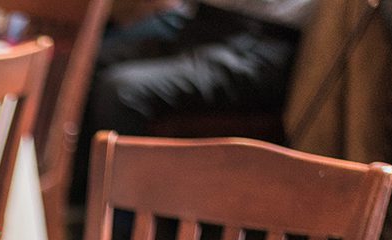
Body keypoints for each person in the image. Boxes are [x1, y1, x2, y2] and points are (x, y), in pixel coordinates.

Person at [86, 0, 315, 138]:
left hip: (257, 45)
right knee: (89, 62)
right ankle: (74, 202)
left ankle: (121, 216)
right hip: (201, 26)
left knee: (121, 90)